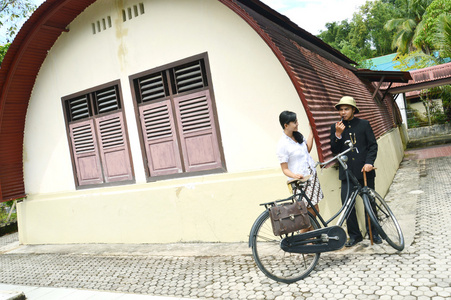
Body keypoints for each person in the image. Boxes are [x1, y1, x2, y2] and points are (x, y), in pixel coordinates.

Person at [330, 96, 382, 247]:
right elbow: (335, 150)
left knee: (369, 203)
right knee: (348, 205)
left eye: (346, 109)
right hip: (347, 173)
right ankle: (355, 236)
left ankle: (374, 233)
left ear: (353, 109)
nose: (343, 112)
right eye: (341, 109)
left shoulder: (364, 125)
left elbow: (372, 146)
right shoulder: (336, 127)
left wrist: (369, 163)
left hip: (365, 171)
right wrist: (338, 135)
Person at [276, 111, 323, 220]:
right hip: (300, 181)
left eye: (297, 121)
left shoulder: (298, 136)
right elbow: (284, 169)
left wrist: (311, 133)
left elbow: (307, 150)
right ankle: (303, 236)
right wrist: (294, 175)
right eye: (294, 122)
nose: (297, 124)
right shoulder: (283, 144)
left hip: (311, 176)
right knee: (310, 212)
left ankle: (311, 237)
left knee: (314, 209)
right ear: (286, 125)